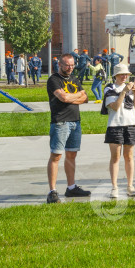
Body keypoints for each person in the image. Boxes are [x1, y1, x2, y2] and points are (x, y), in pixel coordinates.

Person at [46, 53, 90, 203]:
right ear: (60, 65)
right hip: (60, 122)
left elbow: (86, 98)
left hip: (75, 122)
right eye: (67, 65)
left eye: (72, 65)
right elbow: (62, 98)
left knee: (71, 155)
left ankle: (71, 188)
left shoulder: (74, 79)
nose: (70, 68)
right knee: (56, 155)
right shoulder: (53, 80)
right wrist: (77, 95)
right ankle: (52, 191)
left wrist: (72, 97)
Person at [103, 64, 135, 199]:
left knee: (129, 156)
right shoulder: (110, 88)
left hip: (131, 124)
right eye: (122, 74)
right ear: (115, 75)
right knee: (115, 157)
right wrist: (124, 91)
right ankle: (114, 187)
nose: (125, 77)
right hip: (115, 125)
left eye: (127, 75)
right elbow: (116, 107)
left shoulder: (129, 88)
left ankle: (130, 185)